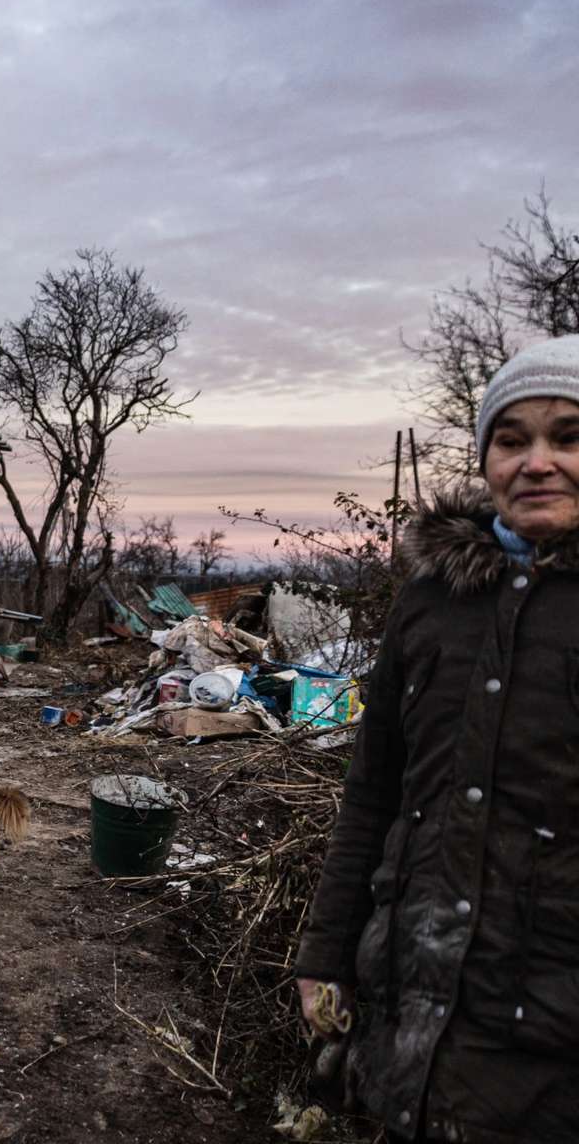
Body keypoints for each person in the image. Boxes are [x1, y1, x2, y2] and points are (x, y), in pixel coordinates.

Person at [295, 335, 579, 1141]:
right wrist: (324, 952)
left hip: (550, 1029)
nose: (537, 461)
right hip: (408, 996)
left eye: (568, 436)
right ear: (486, 455)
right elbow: (372, 790)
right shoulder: (431, 601)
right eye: (512, 439)